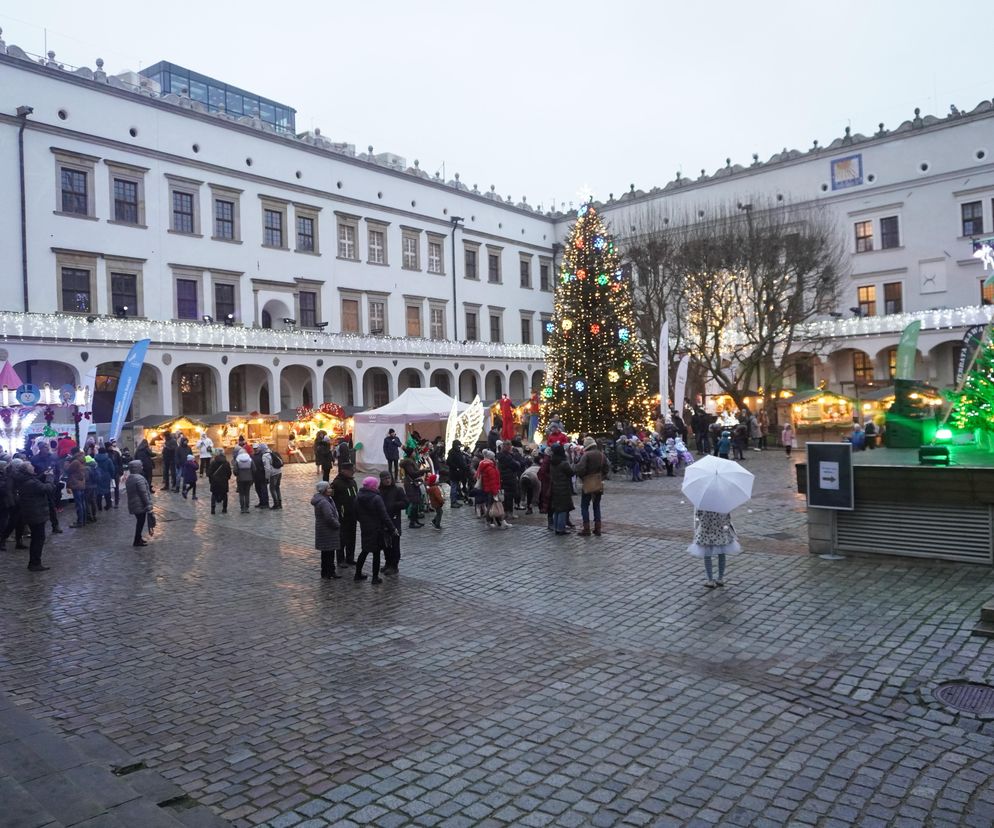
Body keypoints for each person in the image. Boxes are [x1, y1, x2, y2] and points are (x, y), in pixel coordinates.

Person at [354, 476, 395, 584]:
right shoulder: (376, 498)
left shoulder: (358, 496)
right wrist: (392, 528)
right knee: (376, 553)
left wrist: (363, 521)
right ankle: (375, 577)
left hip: (365, 527)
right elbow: (384, 515)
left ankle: (357, 573)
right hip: (377, 528)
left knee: (365, 551)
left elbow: (356, 513)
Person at [688, 508, 741, 588]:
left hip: (705, 531)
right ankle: (720, 578)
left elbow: (697, 517)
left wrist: (696, 530)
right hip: (720, 531)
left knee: (707, 555)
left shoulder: (701, 503)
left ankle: (710, 580)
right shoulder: (722, 502)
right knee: (722, 554)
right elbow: (728, 518)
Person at [20, 468, 55, 572]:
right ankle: (35, 563)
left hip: (33, 512)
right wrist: (49, 478)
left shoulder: (26, 479)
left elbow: (35, 482)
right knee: (38, 539)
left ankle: (34, 562)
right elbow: (47, 488)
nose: (32, 466)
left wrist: (43, 475)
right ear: (27, 470)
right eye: (30, 466)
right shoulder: (30, 483)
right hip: (35, 513)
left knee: (37, 538)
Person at [573, 436, 608, 536]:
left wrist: (582, 476)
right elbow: (607, 468)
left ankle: (586, 529)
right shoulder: (602, 455)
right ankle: (598, 529)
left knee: (584, 506)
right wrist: (601, 477)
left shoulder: (586, 455)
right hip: (598, 482)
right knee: (596, 506)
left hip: (588, 482)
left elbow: (580, 468)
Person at [379, 470, 409, 574]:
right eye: (385, 479)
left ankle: (394, 565)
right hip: (383, 521)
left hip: (394, 520)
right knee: (385, 544)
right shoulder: (379, 490)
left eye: (389, 478)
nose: (387, 480)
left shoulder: (398, 490)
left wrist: (394, 505)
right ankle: (388, 563)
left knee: (395, 544)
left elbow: (405, 503)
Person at [312, 480, 342, 580]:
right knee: (328, 553)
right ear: (324, 490)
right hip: (328, 531)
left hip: (325, 530)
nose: (330, 489)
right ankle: (329, 572)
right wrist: (337, 524)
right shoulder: (324, 502)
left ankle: (326, 572)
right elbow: (329, 517)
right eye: (328, 488)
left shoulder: (327, 499)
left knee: (326, 552)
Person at [332, 462, 358, 566]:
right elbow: (332, 500)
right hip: (342, 516)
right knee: (342, 539)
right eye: (351, 470)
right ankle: (340, 559)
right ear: (344, 471)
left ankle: (350, 558)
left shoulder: (352, 482)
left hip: (353, 515)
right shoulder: (337, 483)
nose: (353, 472)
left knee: (352, 538)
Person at [548, 443, 575, 535]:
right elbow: (571, 473)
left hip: (555, 487)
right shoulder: (564, 463)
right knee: (563, 509)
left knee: (557, 509)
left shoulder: (552, 462)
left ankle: (556, 527)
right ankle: (561, 529)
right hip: (563, 488)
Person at [125, 459, 152, 547]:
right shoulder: (139, 478)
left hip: (134, 503)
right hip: (140, 504)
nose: (142, 467)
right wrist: (148, 504)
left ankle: (139, 538)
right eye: (141, 466)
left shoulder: (130, 478)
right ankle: (137, 540)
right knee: (140, 522)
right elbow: (143, 493)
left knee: (140, 521)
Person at [496, 442, 521, 527]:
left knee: (505, 496)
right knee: (510, 496)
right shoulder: (507, 457)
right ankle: (509, 512)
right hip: (509, 477)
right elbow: (515, 465)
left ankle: (506, 512)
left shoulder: (500, 455)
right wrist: (517, 463)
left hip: (503, 477)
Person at [399, 448, 425, 528]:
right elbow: (412, 473)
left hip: (414, 483)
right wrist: (423, 471)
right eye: (414, 452)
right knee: (414, 502)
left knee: (417, 501)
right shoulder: (408, 462)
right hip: (410, 484)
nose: (415, 453)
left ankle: (416, 520)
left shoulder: (411, 460)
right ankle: (412, 523)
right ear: (411, 453)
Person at [207, 447, 231, 514]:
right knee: (224, 494)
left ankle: (213, 509)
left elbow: (209, 473)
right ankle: (224, 508)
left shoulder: (213, 462)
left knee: (214, 494)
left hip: (215, 481)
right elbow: (229, 472)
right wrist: (227, 478)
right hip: (224, 481)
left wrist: (211, 480)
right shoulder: (226, 463)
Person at [446, 439, 468, 508]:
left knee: (456, 486)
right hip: (454, 473)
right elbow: (448, 462)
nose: (459, 447)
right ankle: (453, 502)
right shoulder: (452, 452)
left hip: (459, 473)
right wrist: (456, 468)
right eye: (458, 445)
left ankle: (456, 499)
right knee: (454, 487)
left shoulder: (458, 452)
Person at [233, 446, 254, 513]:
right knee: (247, 493)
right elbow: (254, 469)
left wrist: (238, 474)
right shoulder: (250, 459)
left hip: (240, 479)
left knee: (241, 494)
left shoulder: (237, 460)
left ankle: (242, 508)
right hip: (249, 478)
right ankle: (247, 508)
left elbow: (235, 470)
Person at [95, 446, 114, 511]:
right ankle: (108, 505)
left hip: (97, 476)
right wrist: (112, 476)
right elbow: (112, 469)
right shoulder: (108, 459)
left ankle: (99, 506)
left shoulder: (95, 459)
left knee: (98, 492)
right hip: (106, 477)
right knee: (107, 491)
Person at [266, 444, 283, 509]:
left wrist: (267, 477)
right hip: (279, 472)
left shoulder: (266, 456)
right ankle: (280, 503)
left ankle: (276, 504)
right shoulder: (274, 453)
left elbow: (267, 468)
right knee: (277, 488)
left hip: (273, 473)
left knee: (272, 488)